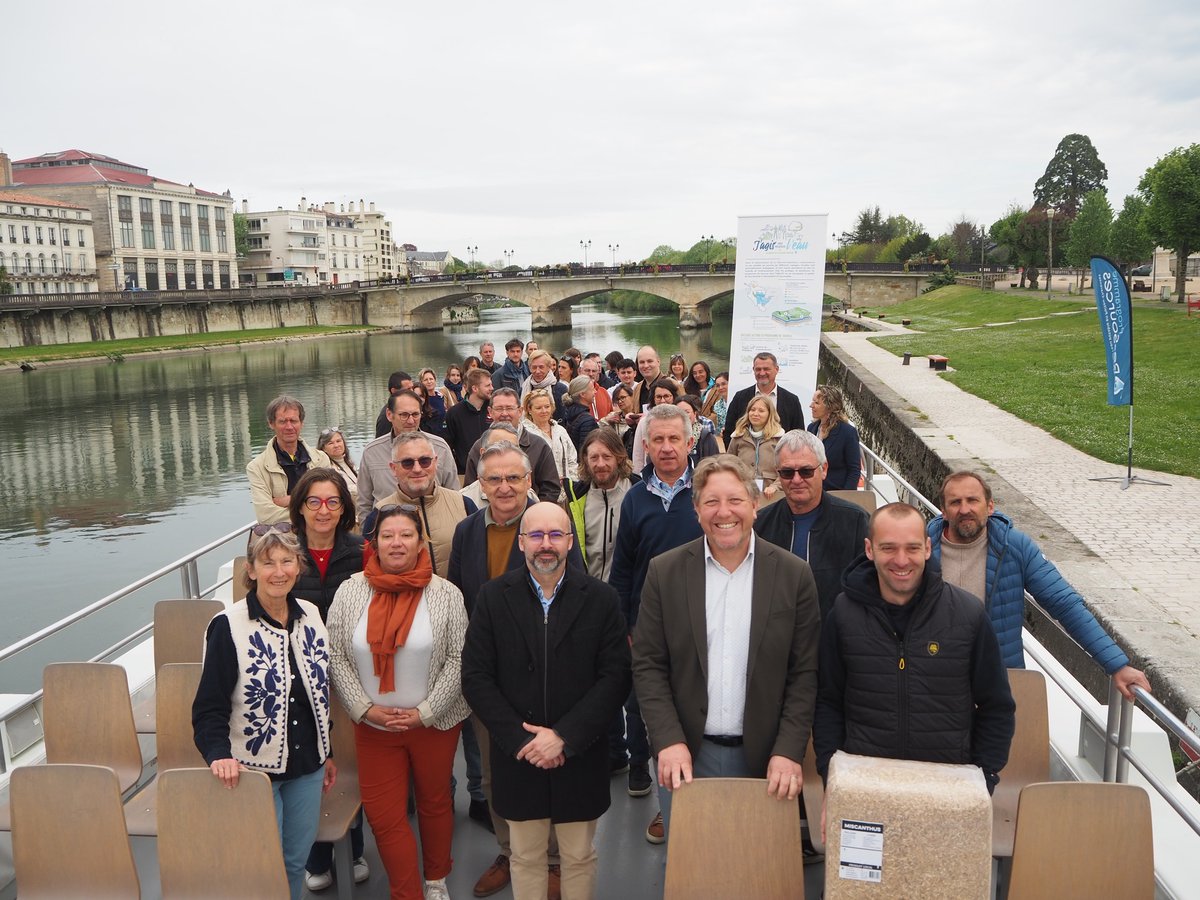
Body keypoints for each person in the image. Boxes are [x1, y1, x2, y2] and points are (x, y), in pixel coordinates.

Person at [631, 455, 821, 843]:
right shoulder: (663, 572)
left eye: (734, 500)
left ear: (754, 504)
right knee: (693, 869)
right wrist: (667, 740)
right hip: (685, 755)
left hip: (767, 759)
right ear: (696, 509)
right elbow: (649, 665)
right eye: (712, 502)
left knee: (757, 870)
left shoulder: (793, 575)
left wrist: (789, 750)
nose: (724, 512)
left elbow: (804, 673)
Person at [462, 502, 631, 900]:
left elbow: (615, 677)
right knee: (524, 856)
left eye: (556, 535)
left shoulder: (602, 600)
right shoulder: (492, 598)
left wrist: (565, 737)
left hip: (580, 754)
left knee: (577, 856)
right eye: (536, 535)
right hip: (518, 755)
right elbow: (476, 676)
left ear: (570, 542)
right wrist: (523, 742)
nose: (546, 545)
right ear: (521, 543)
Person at [449, 442, 585, 898]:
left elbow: (577, 594)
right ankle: (510, 852)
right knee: (494, 773)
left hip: (548, 678)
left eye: (513, 477)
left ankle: (551, 863)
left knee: (547, 766)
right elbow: (457, 601)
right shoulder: (467, 532)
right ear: (480, 485)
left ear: (529, 480)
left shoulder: (551, 525)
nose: (504, 487)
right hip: (491, 682)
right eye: (494, 479)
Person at [813, 503, 1016, 795]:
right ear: (869, 550)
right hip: (863, 786)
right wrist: (830, 777)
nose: (901, 560)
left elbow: (996, 706)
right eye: (888, 548)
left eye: (911, 548)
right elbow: (827, 703)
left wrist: (984, 778)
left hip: (947, 787)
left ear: (928, 548)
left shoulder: (968, 615)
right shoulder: (843, 615)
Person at [328, 505, 470, 900]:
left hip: (434, 724)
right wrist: (363, 708)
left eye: (405, 535)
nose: (396, 543)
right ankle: (408, 893)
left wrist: (425, 712)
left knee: (435, 800)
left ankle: (437, 877)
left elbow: (460, 658)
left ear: (420, 540)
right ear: (373, 543)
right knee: (385, 816)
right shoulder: (351, 590)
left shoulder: (445, 594)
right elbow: (336, 654)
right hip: (373, 727)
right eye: (387, 535)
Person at [192, 526, 336, 900]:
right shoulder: (227, 627)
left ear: (298, 566)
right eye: (267, 562)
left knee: (293, 861)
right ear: (251, 570)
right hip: (253, 771)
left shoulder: (311, 615)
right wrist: (218, 754)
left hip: (309, 766)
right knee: (261, 862)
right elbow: (209, 706)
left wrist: (328, 751)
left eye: (287, 561)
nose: (278, 571)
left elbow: (318, 693)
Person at [929, 471, 1152, 699]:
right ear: (944, 511)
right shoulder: (920, 550)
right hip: (933, 682)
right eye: (955, 502)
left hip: (998, 684)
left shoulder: (1015, 547)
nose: (965, 509)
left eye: (973, 500)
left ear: (990, 507)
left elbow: (1064, 604)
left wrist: (1117, 665)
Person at [610, 404, 703, 834]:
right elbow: (624, 570)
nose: (666, 448)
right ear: (645, 446)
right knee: (646, 706)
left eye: (674, 439)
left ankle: (694, 797)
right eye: (657, 440)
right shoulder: (634, 499)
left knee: (694, 709)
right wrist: (627, 627)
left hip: (703, 625)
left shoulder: (706, 492)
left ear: (690, 442)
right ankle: (651, 780)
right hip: (648, 625)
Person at [286, 470, 370, 890]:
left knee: (350, 764)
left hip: (353, 676)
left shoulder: (361, 552)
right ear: (300, 507)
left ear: (344, 509)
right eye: (315, 502)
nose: (324, 510)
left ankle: (353, 848)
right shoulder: (284, 554)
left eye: (333, 502)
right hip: (298, 683)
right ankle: (315, 857)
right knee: (309, 765)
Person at [754, 430, 870, 617]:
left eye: (806, 471)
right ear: (778, 474)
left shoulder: (855, 522)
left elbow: (868, 588)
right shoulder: (760, 525)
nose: (797, 480)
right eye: (787, 472)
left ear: (823, 469)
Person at [366, 433, 476, 579]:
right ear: (393, 468)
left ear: (436, 462)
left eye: (425, 461)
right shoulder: (378, 515)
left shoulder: (464, 505)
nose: (417, 469)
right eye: (407, 463)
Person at [358, 391, 458, 522]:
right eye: (404, 415)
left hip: (435, 530)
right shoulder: (372, 452)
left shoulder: (440, 448)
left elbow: (454, 494)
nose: (411, 421)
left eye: (415, 414)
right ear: (389, 415)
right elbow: (364, 504)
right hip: (389, 534)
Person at [462, 390, 563, 503]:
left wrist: (534, 512)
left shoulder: (539, 445)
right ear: (490, 412)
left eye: (510, 408)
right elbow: (471, 488)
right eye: (499, 409)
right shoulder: (478, 447)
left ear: (520, 411)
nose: (505, 414)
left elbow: (551, 489)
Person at [566, 428, 639, 581]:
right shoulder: (575, 498)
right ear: (585, 460)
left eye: (607, 457)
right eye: (594, 457)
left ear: (619, 457)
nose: (600, 464)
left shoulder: (637, 492)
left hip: (627, 592)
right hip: (588, 592)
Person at [247, 395, 332, 525]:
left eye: (293, 421)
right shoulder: (257, 467)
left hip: (320, 536)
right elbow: (265, 515)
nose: (289, 427)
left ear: (301, 423)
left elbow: (331, 501)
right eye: (282, 421)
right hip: (282, 539)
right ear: (271, 424)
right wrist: (313, 507)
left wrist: (291, 500)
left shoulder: (321, 459)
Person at [722, 352, 805, 445]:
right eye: (758, 369)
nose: (762, 373)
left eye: (766, 369)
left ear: (776, 369)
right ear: (753, 370)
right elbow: (729, 432)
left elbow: (799, 435)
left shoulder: (791, 400)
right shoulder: (740, 397)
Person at [726, 395, 784, 504]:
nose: (755, 413)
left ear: (769, 414)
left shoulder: (779, 439)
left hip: (771, 497)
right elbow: (728, 466)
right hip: (743, 495)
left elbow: (787, 468)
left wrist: (775, 486)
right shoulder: (738, 437)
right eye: (752, 410)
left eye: (761, 411)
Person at [523, 388, 576, 501]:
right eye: (538, 408)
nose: (544, 411)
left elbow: (572, 459)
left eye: (547, 407)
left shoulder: (560, 430)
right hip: (539, 496)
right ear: (529, 409)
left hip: (566, 495)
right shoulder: (524, 433)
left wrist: (571, 481)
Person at [807, 385, 861, 491]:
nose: (811, 405)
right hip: (813, 491)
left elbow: (854, 470)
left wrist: (846, 497)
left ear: (829, 407)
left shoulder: (847, 432)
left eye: (816, 403)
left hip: (836, 492)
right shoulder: (811, 428)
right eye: (812, 401)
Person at [445, 367, 495, 475]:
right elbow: (448, 445)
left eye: (491, 384)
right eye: (487, 385)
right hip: (466, 472)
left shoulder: (494, 409)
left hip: (494, 470)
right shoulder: (454, 413)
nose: (492, 388)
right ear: (475, 388)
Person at [629, 377, 682, 473]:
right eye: (658, 397)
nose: (662, 401)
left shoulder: (681, 421)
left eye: (666, 396)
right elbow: (638, 454)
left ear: (674, 397)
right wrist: (638, 476)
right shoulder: (644, 422)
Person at [317, 426, 358, 514]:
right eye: (330, 443)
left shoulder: (350, 463)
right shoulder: (326, 468)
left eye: (339, 441)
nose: (336, 445)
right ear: (323, 448)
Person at [675, 395, 719, 467]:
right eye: (679, 413)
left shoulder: (706, 436)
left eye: (687, 412)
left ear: (695, 414)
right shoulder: (667, 436)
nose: (683, 416)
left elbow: (714, 463)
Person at [521, 349, 567, 415]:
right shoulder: (524, 387)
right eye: (534, 367)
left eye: (541, 367)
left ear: (549, 367)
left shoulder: (561, 389)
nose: (537, 371)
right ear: (529, 368)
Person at [560, 375, 599, 451]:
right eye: (592, 389)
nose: (595, 391)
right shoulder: (587, 420)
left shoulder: (568, 412)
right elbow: (586, 450)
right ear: (582, 394)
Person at [375, 371, 415, 438]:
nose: (412, 392)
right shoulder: (385, 418)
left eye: (412, 388)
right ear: (394, 391)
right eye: (408, 389)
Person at [578, 356, 613, 421]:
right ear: (579, 371)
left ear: (598, 373)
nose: (591, 374)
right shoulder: (574, 393)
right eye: (587, 370)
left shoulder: (604, 392)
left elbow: (610, 414)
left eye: (594, 371)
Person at [629, 346, 663, 411]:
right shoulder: (637, 389)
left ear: (658, 362)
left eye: (650, 361)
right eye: (642, 362)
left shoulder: (673, 385)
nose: (646, 365)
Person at [418, 368, 449, 438]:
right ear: (421, 383)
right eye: (425, 380)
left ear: (435, 380)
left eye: (431, 379)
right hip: (430, 436)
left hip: (444, 435)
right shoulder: (423, 400)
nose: (429, 382)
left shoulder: (440, 397)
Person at [700, 371, 729, 439]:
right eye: (718, 385)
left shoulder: (738, 401)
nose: (720, 388)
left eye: (723, 384)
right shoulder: (717, 405)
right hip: (719, 438)